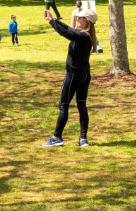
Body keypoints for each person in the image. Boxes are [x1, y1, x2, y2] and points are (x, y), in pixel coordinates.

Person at [42, 8, 98, 147]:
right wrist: (54, 19)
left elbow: (65, 32)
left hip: (74, 75)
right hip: (84, 74)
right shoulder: (86, 34)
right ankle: (83, 139)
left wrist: (52, 23)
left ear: (87, 21)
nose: (77, 19)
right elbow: (69, 29)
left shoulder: (82, 36)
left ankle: (57, 137)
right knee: (81, 105)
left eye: (79, 18)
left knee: (63, 106)